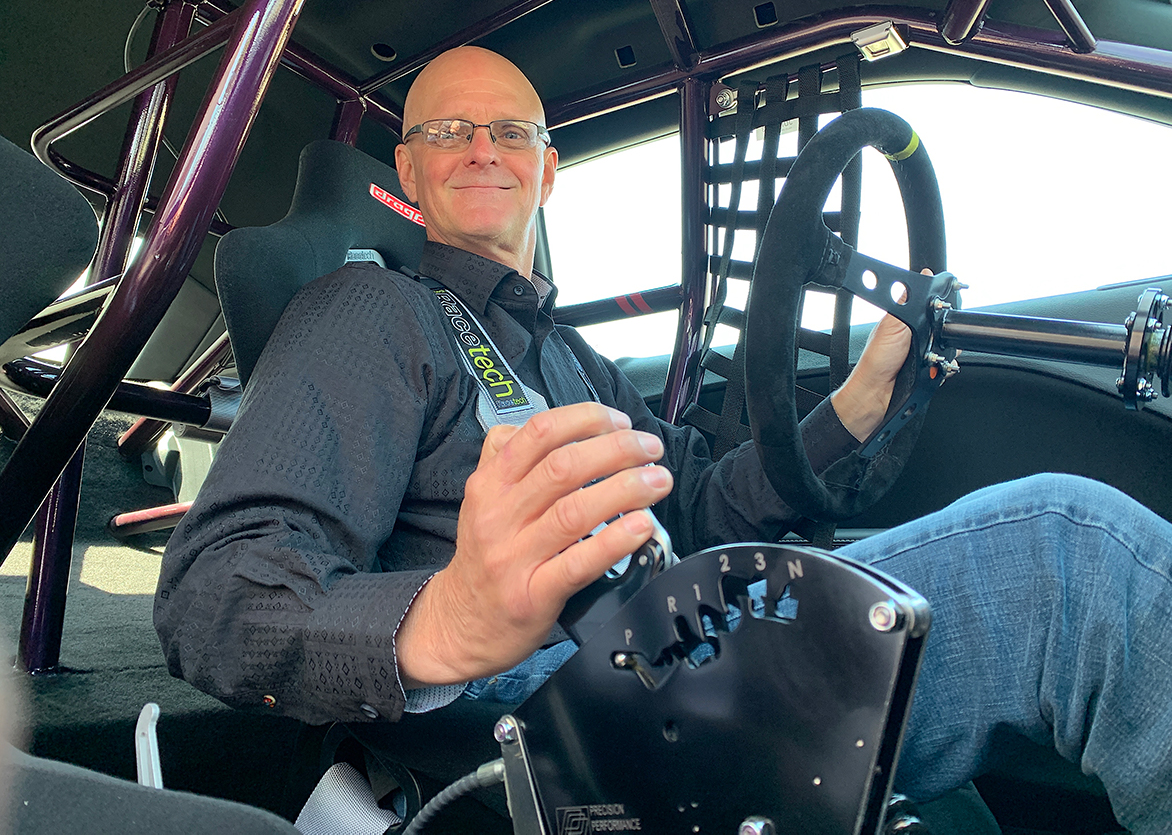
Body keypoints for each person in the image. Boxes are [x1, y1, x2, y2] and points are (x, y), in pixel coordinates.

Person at [156, 46, 1172, 832]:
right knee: (1066, 550)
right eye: (450, 130)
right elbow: (216, 597)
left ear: (547, 172)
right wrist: (447, 618)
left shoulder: (570, 357)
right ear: (409, 176)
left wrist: (859, 399)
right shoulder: (367, 313)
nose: (481, 149)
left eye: (510, 131)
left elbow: (697, 503)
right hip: (556, 719)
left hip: (675, 643)